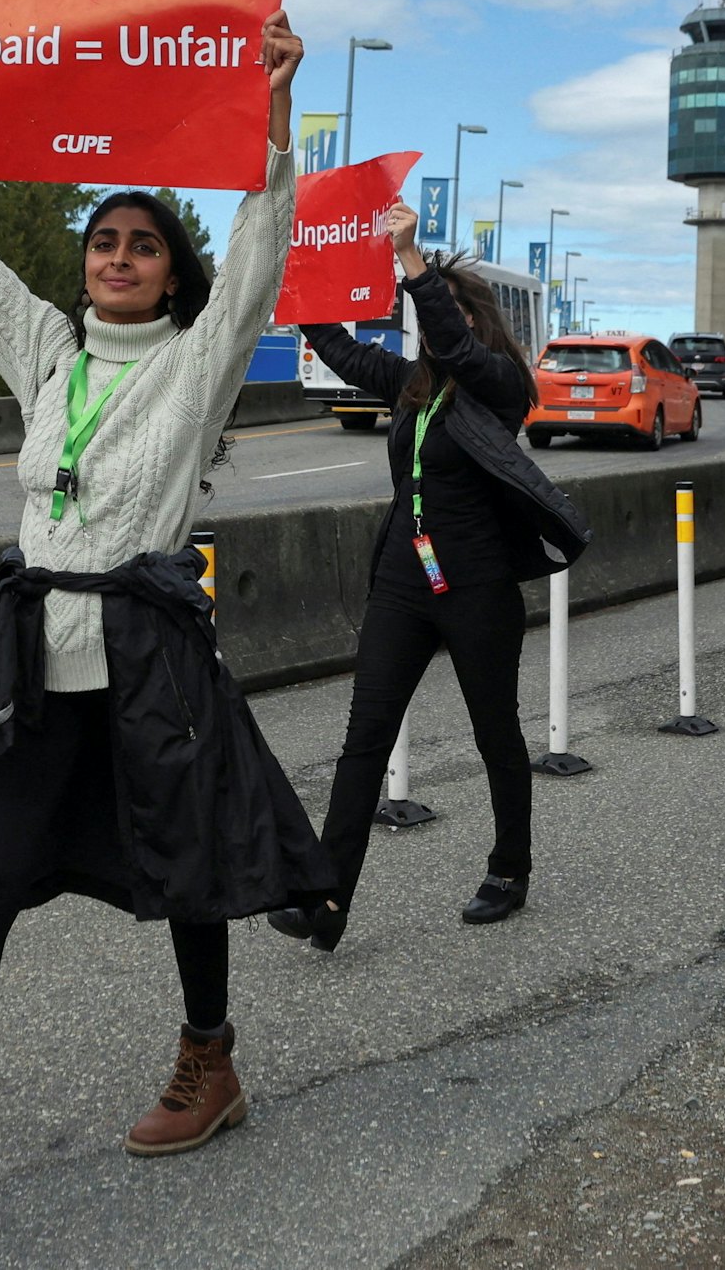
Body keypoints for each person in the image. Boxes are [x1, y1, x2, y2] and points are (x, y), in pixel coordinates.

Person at [0, 12, 337, 1233]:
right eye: (105, 239)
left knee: (185, 864)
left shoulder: (197, 364)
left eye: (144, 245)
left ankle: (211, 1061)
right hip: (34, 662)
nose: (119, 257)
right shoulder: (48, 354)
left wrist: (269, 106)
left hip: (146, 657)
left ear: (168, 270)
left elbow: (261, 246)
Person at [268, 205, 589, 951]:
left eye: (442, 316)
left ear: (468, 319)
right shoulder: (413, 385)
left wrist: (413, 261)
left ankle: (510, 870)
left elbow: (454, 344)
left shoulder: (500, 385)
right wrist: (305, 292)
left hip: (477, 587)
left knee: (495, 734)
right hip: (403, 583)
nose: (431, 334)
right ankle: (327, 900)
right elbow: (343, 353)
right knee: (364, 738)